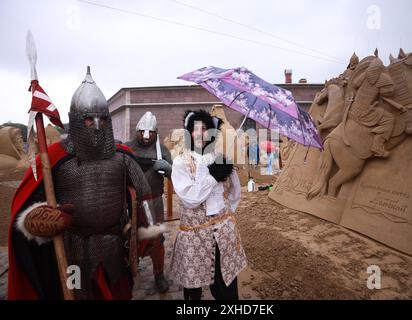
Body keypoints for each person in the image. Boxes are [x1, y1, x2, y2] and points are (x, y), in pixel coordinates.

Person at [8, 67, 165, 300]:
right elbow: (30, 202)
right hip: (73, 250)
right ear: (77, 121)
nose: (97, 125)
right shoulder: (56, 158)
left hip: (113, 248)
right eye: (89, 119)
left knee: (118, 294)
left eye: (102, 119)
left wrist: (150, 230)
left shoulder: (121, 156)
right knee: (74, 292)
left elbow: (143, 194)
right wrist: (41, 219)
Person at [170, 109, 247, 300]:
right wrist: (213, 176)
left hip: (223, 234)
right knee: (193, 287)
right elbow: (191, 198)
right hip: (194, 236)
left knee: (226, 287)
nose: (199, 133)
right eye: (194, 129)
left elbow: (235, 192)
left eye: (204, 128)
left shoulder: (220, 159)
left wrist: (225, 217)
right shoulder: (181, 163)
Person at [125, 111, 172, 293]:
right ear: (137, 131)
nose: (146, 136)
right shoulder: (127, 148)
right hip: (131, 202)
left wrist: (169, 169)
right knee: (129, 237)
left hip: (154, 201)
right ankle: (129, 272)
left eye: (150, 132)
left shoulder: (163, 150)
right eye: (142, 132)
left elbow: (175, 175)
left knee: (156, 240)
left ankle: (159, 274)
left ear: (155, 133)